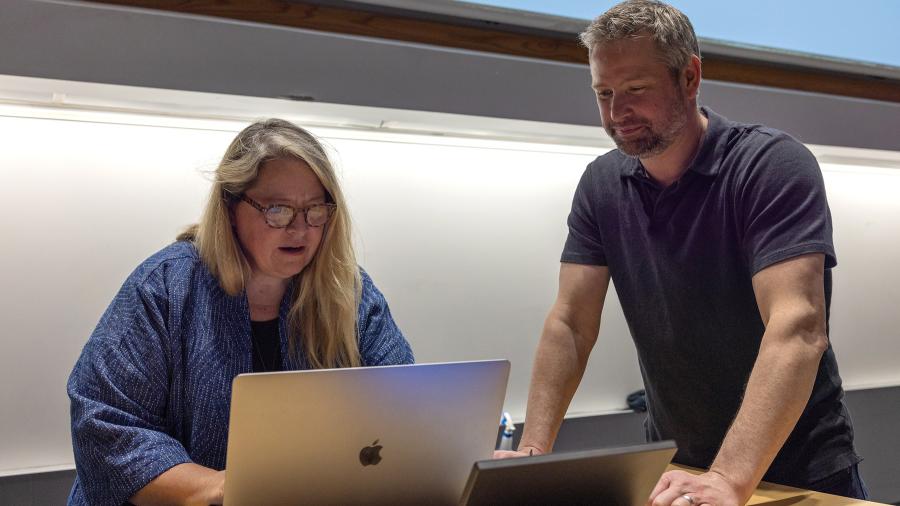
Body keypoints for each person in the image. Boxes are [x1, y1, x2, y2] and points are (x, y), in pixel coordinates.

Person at [495, 1, 866, 504]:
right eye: (604, 93)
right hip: (682, 470)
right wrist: (531, 453)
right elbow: (570, 324)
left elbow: (797, 328)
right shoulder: (601, 185)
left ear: (690, 77)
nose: (617, 112)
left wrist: (729, 478)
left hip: (802, 473)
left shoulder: (770, 166)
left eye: (636, 89)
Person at [67, 119, 414, 505]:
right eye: (278, 210)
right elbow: (105, 422)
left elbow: (403, 407)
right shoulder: (166, 286)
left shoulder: (348, 292)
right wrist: (219, 487)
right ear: (231, 207)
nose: (299, 229)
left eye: (315, 210)